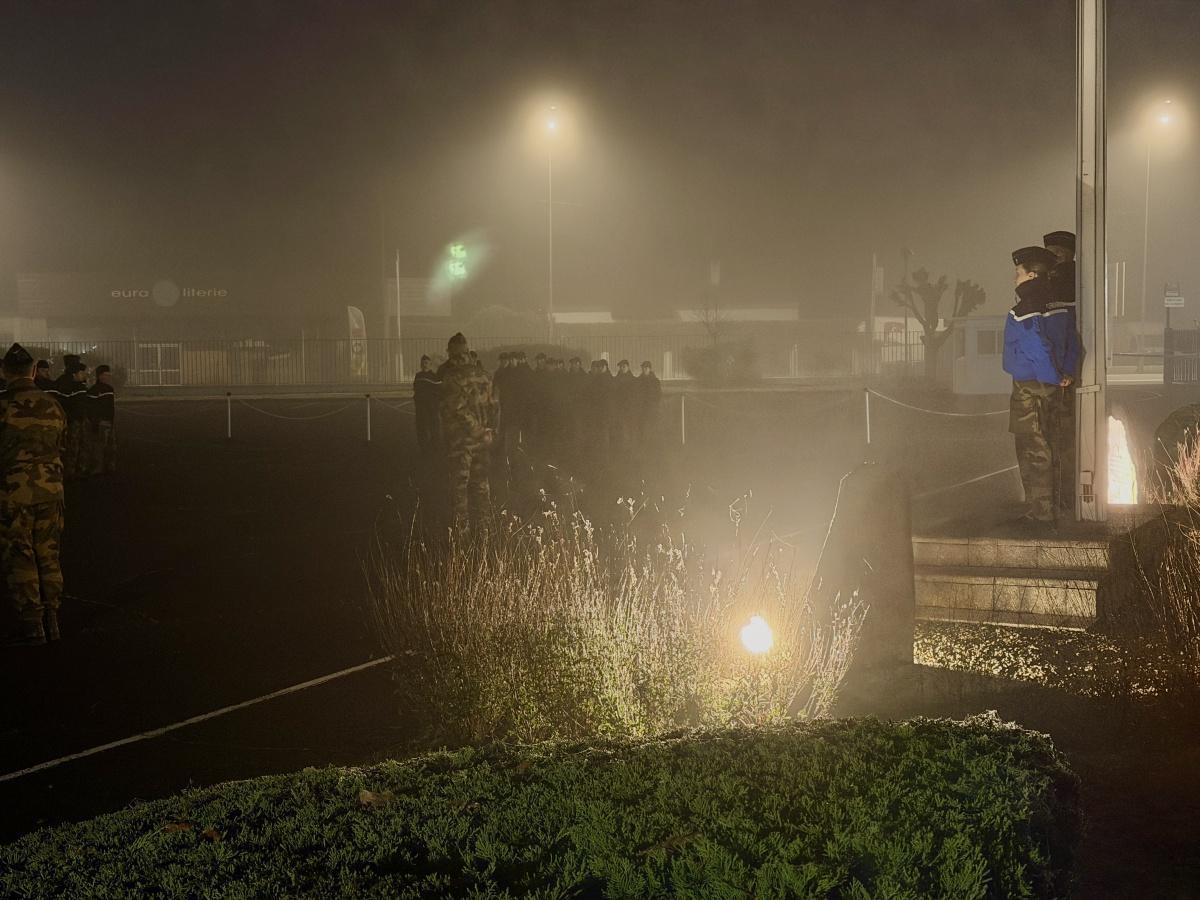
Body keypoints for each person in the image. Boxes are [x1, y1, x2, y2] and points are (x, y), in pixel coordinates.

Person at [0, 343, 67, 646]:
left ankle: (32, 623)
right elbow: (61, 445)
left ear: (4, 372)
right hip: (51, 488)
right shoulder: (53, 405)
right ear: (33, 369)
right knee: (48, 552)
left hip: (14, 491)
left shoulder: (4, 407)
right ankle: (53, 616)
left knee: (20, 552)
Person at [1003, 246, 1072, 529]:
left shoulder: (1024, 309)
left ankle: (1040, 514)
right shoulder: (1058, 307)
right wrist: (1064, 374)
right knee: (1053, 445)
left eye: (1018, 273)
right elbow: (1071, 344)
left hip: (1030, 388)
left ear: (1031, 275)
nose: (1014, 279)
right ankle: (1055, 507)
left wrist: (1051, 377)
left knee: (1032, 449)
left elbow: (1036, 347)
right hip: (1052, 386)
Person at [438, 333, 498, 527]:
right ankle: (485, 528)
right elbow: (495, 406)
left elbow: (458, 409)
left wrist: (476, 430)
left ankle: (461, 534)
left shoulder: (452, 378)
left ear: (452, 353)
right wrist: (489, 430)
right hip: (483, 440)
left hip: (461, 440)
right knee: (482, 484)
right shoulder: (484, 375)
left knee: (460, 486)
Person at [1043, 230, 1082, 515]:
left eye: (1058, 254)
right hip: (1057, 372)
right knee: (1058, 437)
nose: (1054, 260)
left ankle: (1062, 497)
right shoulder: (1055, 281)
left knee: (1059, 437)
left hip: (1058, 375)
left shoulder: (1065, 280)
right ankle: (1062, 495)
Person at [53, 355, 89, 480]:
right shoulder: (65, 382)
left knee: (81, 444)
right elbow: (63, 402)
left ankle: (79, 469)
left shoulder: (79, 383)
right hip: (72, 420)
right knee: (71, 446)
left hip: (79, 418)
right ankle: (70, 472)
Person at [86, 364, 117, 475]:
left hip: (109, 421)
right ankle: (98, 468)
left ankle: (109, 466)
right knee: (99, 446)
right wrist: (96, 422)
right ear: (100, 376)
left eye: (109, 374)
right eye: (106, 375)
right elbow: (92, 409)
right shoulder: (94, 391)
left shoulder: (109, 389)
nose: (108, 377)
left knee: (110, 446)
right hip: (101, 422)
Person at [413, 355, 441, 455]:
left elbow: (437, 391)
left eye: (426, 363)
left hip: (432, 407)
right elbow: (416, 389)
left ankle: (435, 448)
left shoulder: (434, 376)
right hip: (421, 407)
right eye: (422, 363)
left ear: (430, 364)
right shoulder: (418, 376)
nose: (424, 365)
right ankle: (424, 449)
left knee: (434, 428)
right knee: (421, 428)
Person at [636, 360, 662, 447]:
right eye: (643, 368)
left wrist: (654, 405)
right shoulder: (638, 381)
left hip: (651, 408)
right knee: (641, 426)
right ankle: (642, 444)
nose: (644, 369)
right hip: (641, 408)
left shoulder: (655, 381)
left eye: (646, 368)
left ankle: (652, 444)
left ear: (650, 369)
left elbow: (658, 395)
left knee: (651, 426)